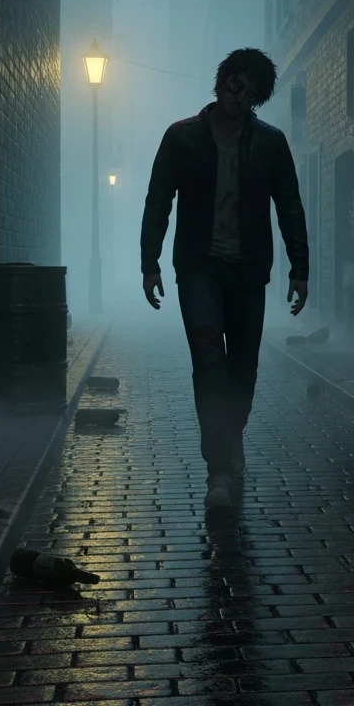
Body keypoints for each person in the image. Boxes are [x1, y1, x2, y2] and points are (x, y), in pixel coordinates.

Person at [141, 48, 309, 508]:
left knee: (243, 370)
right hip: (197, 268)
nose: (241, 96)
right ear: (222, 81)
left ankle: (230, 440)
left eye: (252, 92)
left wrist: (300, 268)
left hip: (249, 272)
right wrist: (149, 262)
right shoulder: (181, 138)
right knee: (209, 362)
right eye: (237, 84)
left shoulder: (270, 143)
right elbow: (159, 200)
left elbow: (289, 204)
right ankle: (219, 470)